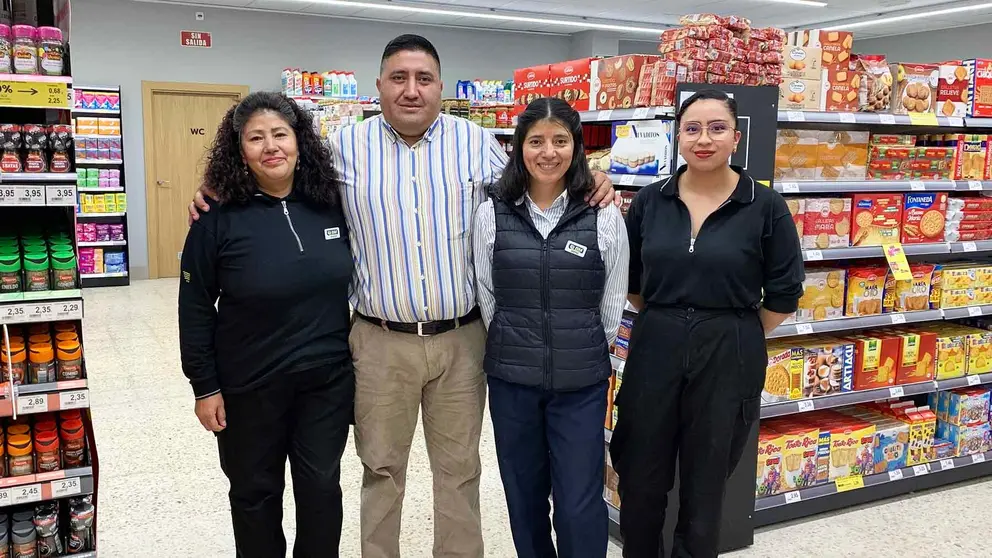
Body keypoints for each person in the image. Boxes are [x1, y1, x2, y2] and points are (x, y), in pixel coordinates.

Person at [189, 35, 617, 558]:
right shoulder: (343, 148)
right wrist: (213, 190)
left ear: (439, 85)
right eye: (398, 78)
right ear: (379, 86)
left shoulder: (478, 145)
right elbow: (272, 183)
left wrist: (596, 178)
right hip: (378, 341)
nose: (411, 90)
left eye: (423, 79)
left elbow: (539, 182)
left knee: (460, 472)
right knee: (381, 469)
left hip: (462, 340)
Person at [609, 89, 805, 558]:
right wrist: (674, 318)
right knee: (640, 474)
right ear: (678, 137)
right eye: (692, 128)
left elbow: (783, 294)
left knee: (706, 480)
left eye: (717, 128)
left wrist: (732, 330)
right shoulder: (651, 202)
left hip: (729, 346)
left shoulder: (764, 206)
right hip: (657, 340)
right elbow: (633, 281)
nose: (704, 139)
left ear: (736, 138)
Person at [178, 91, 354, 557]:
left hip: (326, 381)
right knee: (255, 495)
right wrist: (204, 386)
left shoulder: (330, 202)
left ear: (300, 141)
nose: (270, 146)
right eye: (256, 138)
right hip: (248, 385)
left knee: (321, 489)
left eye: (280, 134)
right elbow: (194, 304)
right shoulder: (215, 217)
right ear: (240, 151)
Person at [473, 97, 628, 558]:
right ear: (519, 147)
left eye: (560, 141)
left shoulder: (602, 215)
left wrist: (580, 349)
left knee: (580, 500)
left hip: (579, 384)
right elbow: (487, 295)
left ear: (576, 147)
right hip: (512, 382)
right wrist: (516, 341)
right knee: (523, 496)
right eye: (536, 141)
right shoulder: (493, 213)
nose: (548, 152)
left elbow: (612, 301)